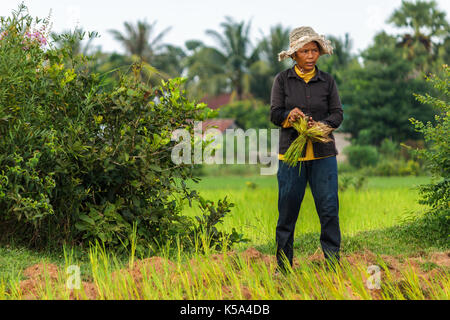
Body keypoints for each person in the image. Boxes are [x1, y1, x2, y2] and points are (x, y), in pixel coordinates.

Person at [270, 26, 343, 273]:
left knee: (329, 208)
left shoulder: (328, 81)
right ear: (294, 55)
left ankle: (333, 266)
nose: (311, 55)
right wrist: (290, 116)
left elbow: (337, 114)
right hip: (292, 156)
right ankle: (283, 268)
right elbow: (274, 114)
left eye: (314, 50)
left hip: (324, 155)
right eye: (305, 51)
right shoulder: (282, 81)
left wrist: (322, 127)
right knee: (287, 212)